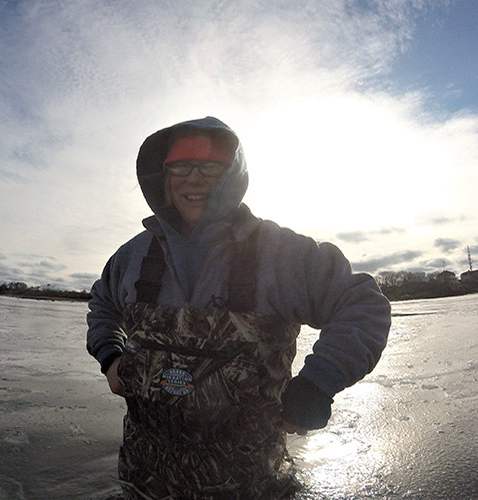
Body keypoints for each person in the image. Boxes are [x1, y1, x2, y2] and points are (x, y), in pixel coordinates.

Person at [86, 116, 391, 499]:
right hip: (143, 483)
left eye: (210, 166)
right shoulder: (132, 256)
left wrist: (318, 384)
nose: (193, 178)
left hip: (253, 488)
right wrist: (109, 355)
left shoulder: (281, 253)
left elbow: (362, 304)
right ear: (162, 176)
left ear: (232, 175)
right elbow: (102, 303)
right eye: (180, 165)